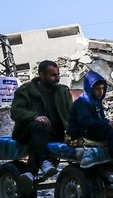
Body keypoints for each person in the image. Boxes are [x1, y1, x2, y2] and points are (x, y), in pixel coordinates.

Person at [10, 60, 73, 189]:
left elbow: (71, 113)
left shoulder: (62, 92)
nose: (57, 78)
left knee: (39, 139)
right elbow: (15, 112)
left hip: (52, 133)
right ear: (42, 75)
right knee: (38, 127)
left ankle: (30, 172)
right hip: (26, 131)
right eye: (53, 75)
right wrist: (35, 117)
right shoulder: (26, 90)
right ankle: (44, 162)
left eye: (58, 75)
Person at [68, 71, 113, 161]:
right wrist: (107, 123)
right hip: (81, 132)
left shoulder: (96, 101)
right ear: (90, 88)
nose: (101, 92)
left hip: (92, 129)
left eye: (102, 88)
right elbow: (86, 122)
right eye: (97, 89)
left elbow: (100, 119)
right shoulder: (82, 102)